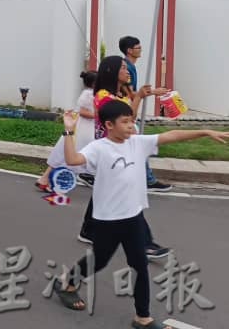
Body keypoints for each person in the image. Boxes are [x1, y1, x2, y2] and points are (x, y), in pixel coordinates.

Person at [54, 100, 229, 328]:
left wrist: (204, 131)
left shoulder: (138, 143)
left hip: (133, 217)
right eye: (125, 122)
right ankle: (67, 283)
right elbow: (72, 160)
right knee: (99, 260)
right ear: (109, 124)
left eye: (132, 120)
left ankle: (142, 318)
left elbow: (173, 135)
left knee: (139, 265)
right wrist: (69, 129)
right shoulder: (100, 148)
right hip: (107, 220)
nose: (130, 126)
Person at [77, 56, 170, 260]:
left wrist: (149, 93)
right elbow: (127, 117)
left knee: (105, 187)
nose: (127, 71)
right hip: (110, 149)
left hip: (123, 147)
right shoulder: (103, 96)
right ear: (111, 72)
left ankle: (88, 230)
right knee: (130, 193)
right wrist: (138, 98)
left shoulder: (118, 92)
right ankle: (145, 243)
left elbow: (130, 107)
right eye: (122, 68)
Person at [119, 35, 172, 192]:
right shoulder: (127, 67)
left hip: (128, 108)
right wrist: (153, 92)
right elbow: (128, 92)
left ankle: (142, 178)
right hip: (126, 109)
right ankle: (147, 180)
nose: (140, 50)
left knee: (134, 146)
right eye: (138, 47)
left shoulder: (130, 66)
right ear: (129, 50)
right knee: (138, 146)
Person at [36, 71, 96, 191]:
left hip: (82, 128)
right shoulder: (88, 94)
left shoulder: (91, 93)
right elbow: (82, 112)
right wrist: (98, 115)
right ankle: (49, 180)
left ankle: (45, 179)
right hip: (81, 128)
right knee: (69, 154)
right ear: (94, 83)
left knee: (64, 153)